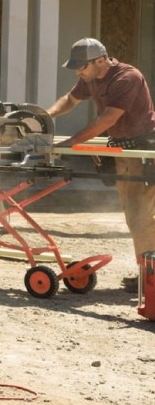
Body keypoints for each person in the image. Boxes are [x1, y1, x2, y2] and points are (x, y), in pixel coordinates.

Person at [46, 37, 155, 292]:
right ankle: (147, 272)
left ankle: (150, 278)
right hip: (122, 149)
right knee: (133, 215)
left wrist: (74, 142)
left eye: (82, 67)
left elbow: (108, 118)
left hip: (142, 150)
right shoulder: (91, 78)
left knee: (142, 217)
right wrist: (47, 114)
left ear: (100, 60)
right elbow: (70, 99)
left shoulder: (127, 77)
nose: (78, 72)